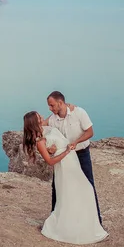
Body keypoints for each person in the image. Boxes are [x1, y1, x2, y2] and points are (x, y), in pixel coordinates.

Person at [23, 111, 108, 244]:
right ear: (35, 121)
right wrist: (66, 151)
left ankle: (85, 223)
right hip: (64, 167)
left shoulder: (46, 129)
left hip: (72, 163)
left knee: (85, 190)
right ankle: (68, 227)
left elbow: (55, 119)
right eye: (38, 116)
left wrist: (69, 107)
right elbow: (50, 162)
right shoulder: (40, 141)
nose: (42, 116)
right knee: (73, 194)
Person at [43, 91, 102, 225]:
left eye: (52, 105)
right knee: (57, 186)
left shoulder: (79, 113)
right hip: (64, 157)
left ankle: (96, 222)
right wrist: (50, 148)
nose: (50, 109)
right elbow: (43, 128)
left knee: (88, 184)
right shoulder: (53, 119)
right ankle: (55, 221)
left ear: (60, 103)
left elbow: (90, 132)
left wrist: (76, 142)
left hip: (81, 154)